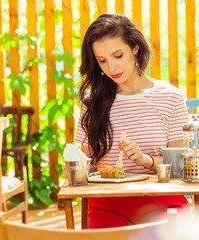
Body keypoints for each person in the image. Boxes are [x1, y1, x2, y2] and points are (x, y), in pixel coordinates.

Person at [66, 14, 190, 228]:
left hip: (163, 201)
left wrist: (146, 160)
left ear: (135, 48)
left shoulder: (171, 97)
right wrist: (73, 168)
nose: (111, 68)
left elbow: (179, 167)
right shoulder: (92, 103)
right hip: (107, 203)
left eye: (118, 55)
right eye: (102, 61)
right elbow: (86, 166)